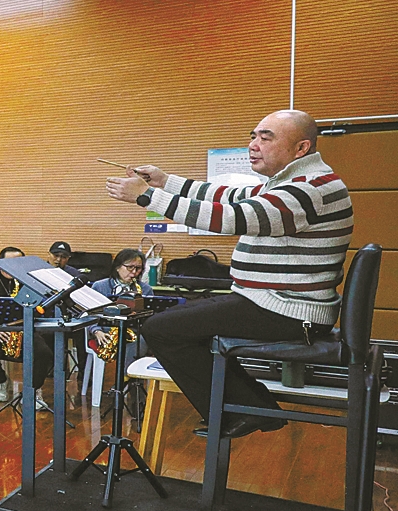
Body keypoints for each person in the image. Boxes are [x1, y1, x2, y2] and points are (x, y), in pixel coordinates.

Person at [106, 109, 352, 438]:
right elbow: (229, 195)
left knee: (161, 329)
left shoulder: (309, 189)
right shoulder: (292, 182)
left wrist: (147, 196)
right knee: (175, 321)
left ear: (301, 148)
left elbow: (230, 216)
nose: (254, 144)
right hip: (271, 301)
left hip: (288, 309)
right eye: (253, 136)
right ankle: (250, 406)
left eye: (266, 138)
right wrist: (166, 181)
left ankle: (247, 409)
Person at [0, 247, 56, 409]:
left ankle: (33, 389)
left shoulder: (31, 284)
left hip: (25, 331)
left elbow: (43, 312)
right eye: (8, 263)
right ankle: (2, 381)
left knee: (44, 354)